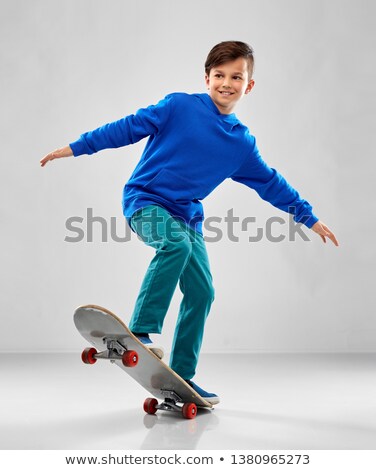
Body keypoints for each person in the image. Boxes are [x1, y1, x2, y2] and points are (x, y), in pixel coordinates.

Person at [40, 41, 338, 405]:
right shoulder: (179, 106)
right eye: (219, 76)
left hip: (186, 218)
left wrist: (308, 217)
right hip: (145, 201)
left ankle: (182, 376)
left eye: (236, 77)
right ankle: (142, 329)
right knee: (175, 245)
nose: (226, 83)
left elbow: (271, 183)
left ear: (249, 85)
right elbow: (126, 128)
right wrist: (77, 146)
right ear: (207, 77)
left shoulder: (241, 144)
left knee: (202, 292)